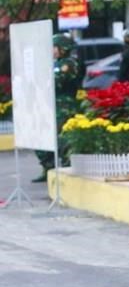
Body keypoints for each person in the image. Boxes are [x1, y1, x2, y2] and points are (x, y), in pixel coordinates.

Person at [34, 33, 82, 182]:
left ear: (63, 48)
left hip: (64, 107)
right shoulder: (53, 64)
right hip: (50, 105)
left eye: (55, 47)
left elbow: (56, 81)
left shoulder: (70, 63)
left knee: (62, 139)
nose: (52, 51)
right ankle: (47, 167)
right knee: (41, 138)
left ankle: (67, 168)